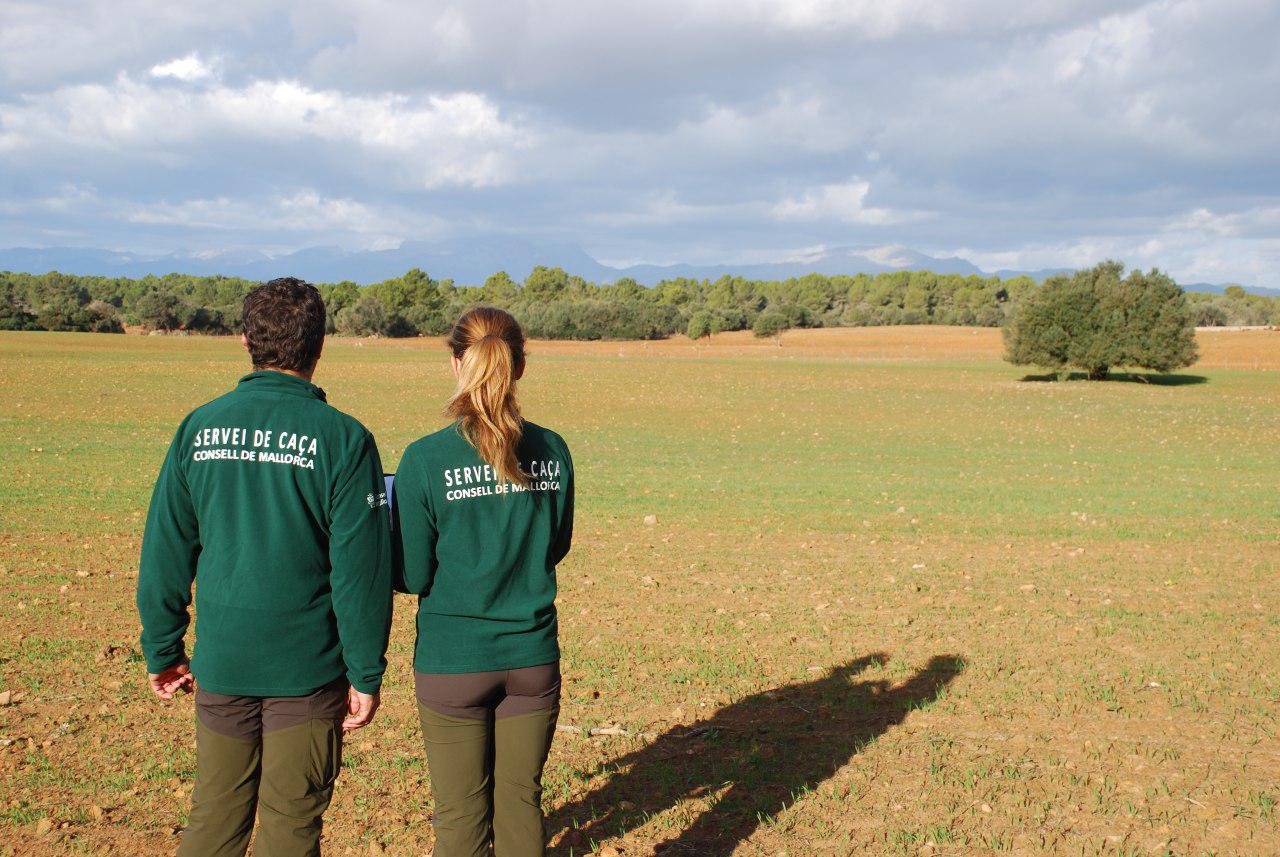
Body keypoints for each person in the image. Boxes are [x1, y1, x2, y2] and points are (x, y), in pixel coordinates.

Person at [137, 277, 394, 857]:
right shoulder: (345, 439)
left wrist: (163, 649)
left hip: (224, 662)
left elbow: (165, 550)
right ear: (320, 344)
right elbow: (361, 573)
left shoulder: (199, 427)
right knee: (292, 826)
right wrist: (365, 671)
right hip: (308, 672)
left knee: (213, 821)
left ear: (246, 340)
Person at [393, 306, 574, 857]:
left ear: (456, 364)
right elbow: (555, 546)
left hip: (453, 663)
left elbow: (415, 573)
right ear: (519, 367)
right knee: (521, 800)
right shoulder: (553, 450)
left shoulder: (424, 459)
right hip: (532, 657)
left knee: (460, 815)